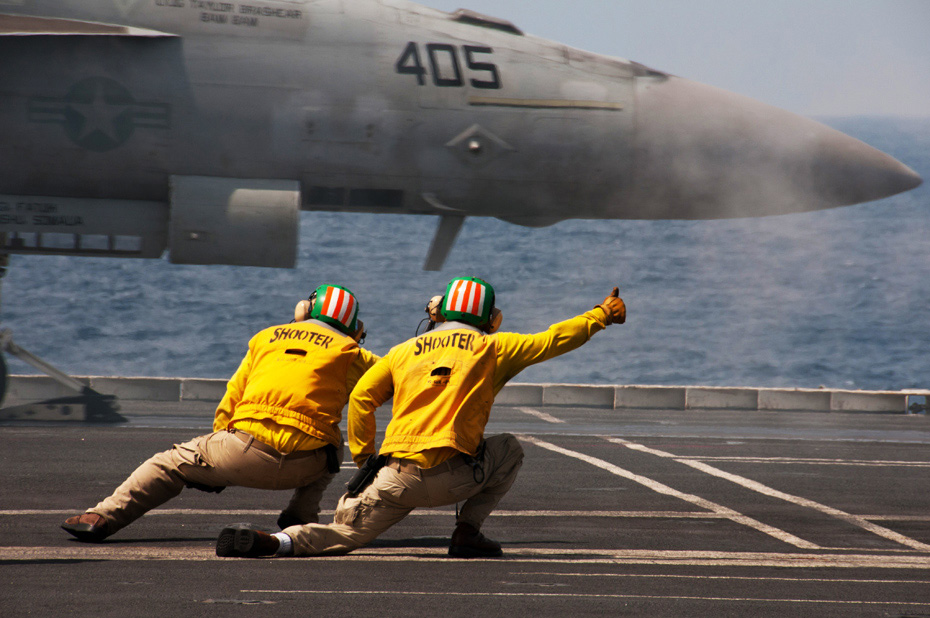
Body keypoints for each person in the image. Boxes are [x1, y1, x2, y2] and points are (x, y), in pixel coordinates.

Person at [215, 277, 626, 559]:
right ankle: (467, 531)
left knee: (344, 533)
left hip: (396, 480)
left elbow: (361, 399)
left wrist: (366, 462)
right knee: (509, 449)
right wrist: (601, 315)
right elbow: (554, 339)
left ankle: (276, 542)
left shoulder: (401, 352)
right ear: (492, 319)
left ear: (439, 311)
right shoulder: (495, 347)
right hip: (456, 476)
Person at [62, 284, 379, 542]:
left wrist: (218, 449)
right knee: (333, 444)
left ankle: (101, 517)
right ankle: (301, 516)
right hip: (305, 465)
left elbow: (231, 397)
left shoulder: (265, 339)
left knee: (166, 463)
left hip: (242, 454)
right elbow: (395, 373)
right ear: (354, 328)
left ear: (304, 310)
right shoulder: (353, 354)